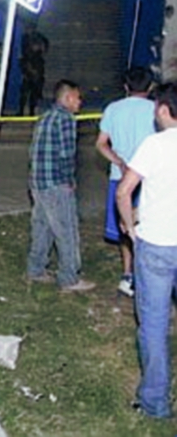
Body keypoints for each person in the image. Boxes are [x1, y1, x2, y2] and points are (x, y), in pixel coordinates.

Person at [115, 82, 177, 419]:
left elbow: (124, 191)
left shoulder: (154, 145)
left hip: (155, 246)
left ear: (165, 110)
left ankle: (155, 402)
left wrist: (131, 228)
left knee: (153, 326)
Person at [26, 79, 93, 292]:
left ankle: (35, 269)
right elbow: (66, 155)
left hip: (38, 182)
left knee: (42, 227)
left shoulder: (45, 117)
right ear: (67, 98)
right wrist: (69, 181)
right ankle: (69, 277)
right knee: (67, 230)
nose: (80, 102)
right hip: (56, 183)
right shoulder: (66, 119)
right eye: (77, 97)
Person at [95, 67, 155, 298]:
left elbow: (101, 144)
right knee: (148, 226)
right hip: (149, 178)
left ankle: (127, 274)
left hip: (120, 178)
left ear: (126, 87)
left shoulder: (113, 109)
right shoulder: (157, 110)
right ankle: (145, 276)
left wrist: (118, 161)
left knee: (125, 228)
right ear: (150, 87)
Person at [18, 23, 50, 117]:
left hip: (35, 69)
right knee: (25, 92)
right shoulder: (25, 38)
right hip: (28, 68)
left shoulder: (38, 38)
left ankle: (31, 111)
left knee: (33, 92)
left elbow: (45, 45)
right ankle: (22, 111)